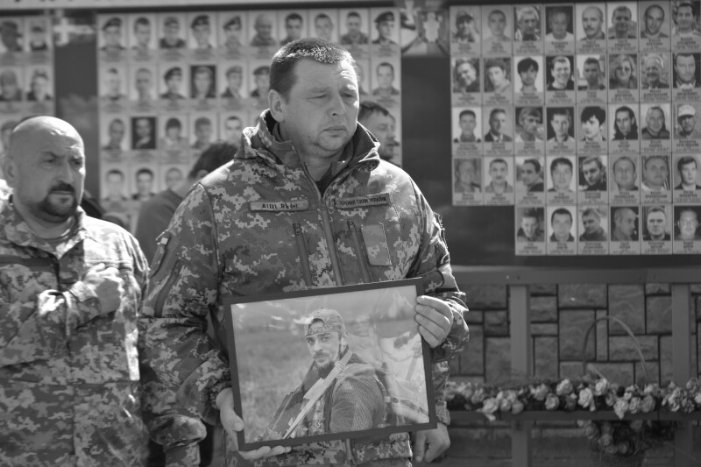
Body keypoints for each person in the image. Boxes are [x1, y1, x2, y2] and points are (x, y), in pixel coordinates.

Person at [139, 38, 469, 467]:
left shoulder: (397, 192)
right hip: (275, 453)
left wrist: (436, 388)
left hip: (382, 450)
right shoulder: (219, 200)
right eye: (319, 96)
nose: (339, 109)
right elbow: (164, 322)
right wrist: (220, 393)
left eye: (348, 95)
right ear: (278, 105)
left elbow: (442, 296)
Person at [0, 116, 148, 465]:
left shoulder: (118, 245)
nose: (67, 175)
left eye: (76, 162)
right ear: (10, 171)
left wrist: (178, 437)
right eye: (50, 161)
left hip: (117, 457)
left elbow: (153, 349)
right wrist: (85, 300)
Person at [264, 308, 388, 440]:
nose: (316, 348)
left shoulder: (353, 386)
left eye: (325, 338)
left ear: (343, 339)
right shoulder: (322, 371)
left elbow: (343, 448)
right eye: (311, 341)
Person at [135, 141, 236, 263]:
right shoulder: (157, 210)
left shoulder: (204, 210)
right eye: (227, 191)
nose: (231, 201)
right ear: (203, 177)